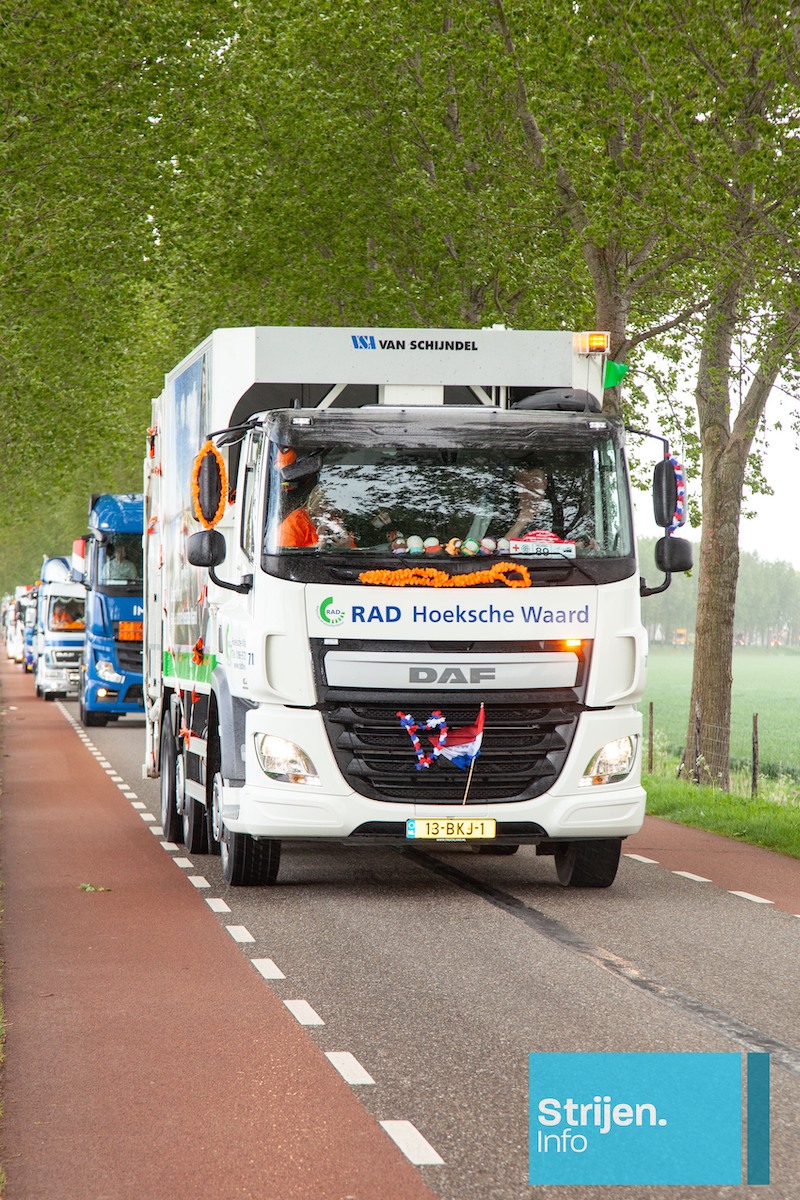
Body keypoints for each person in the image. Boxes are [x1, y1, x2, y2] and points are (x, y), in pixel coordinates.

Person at [505, 466, 553, 540]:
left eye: (535, 479)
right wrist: (519, 524)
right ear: (517, 484)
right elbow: (499, 545)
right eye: (524, 480)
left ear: (544, 483)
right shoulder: (504, 511)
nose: (530, 484)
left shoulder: (557, 512)